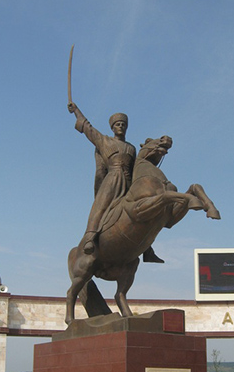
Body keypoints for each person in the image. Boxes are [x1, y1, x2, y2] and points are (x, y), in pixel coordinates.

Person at [68, 102, 163, 262]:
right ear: (112, 127)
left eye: (123, 125)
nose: (121, 127)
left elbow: (137, 167)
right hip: (112, 180)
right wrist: (76, 111)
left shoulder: (132, 148)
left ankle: (147, 248)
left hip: (128, 181)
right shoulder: (104, 141)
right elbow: (87, 128)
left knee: (143, 207)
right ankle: (90, 238)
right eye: (118, 124)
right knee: (101, 205)